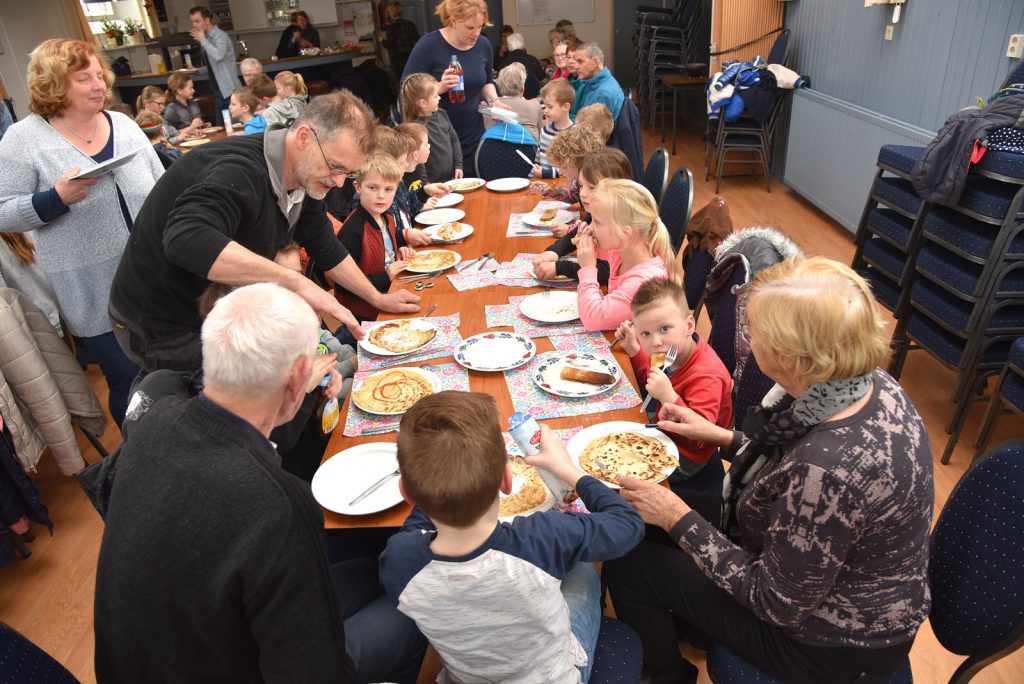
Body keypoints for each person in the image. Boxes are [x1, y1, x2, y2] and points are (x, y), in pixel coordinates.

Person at [606, 257, 934, 684]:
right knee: (630, 515)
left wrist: (673, 515)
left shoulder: (826, 472)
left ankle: (666, 675)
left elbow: (774, 600)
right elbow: (793, 464)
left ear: (792, 357)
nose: (745, 339)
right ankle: (690, 625)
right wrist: (721, 436)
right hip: (808, 569)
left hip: (828, 644)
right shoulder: (867, 383)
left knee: (630, 564)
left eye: (754, 332)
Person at [95, 282, 426, 683]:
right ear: (301, 375)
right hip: (234, 663)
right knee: (418, 601)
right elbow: (315, 671)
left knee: (371, 569)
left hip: (156, 654)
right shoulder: (277, 503)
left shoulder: (155, 422)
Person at [108, 90, 421, 373]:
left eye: (348, 173)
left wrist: (377, 298)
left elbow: (325, 245)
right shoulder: (238, 171)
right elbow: (185, 238)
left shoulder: (306, 175)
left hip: (214, 312)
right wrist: (291, 280)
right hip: (160, 322)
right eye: (335, 167)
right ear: (303, 138)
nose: (340, 182)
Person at [379, 391, 644, 684]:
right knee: (583, 569)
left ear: (405, 493)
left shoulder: (398, 561)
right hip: (555, 676)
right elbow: (628, 523)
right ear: (507, 480)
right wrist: (567, 469)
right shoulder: (544, 537)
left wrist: (430, 486)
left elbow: (414, 529)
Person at [0, 39, 162, 427]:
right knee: (129, 382)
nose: (98, 85)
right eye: (82, 78)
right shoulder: (25, 140)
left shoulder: (122, 124)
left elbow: (162, 184)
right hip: (93, 292)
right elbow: (3, 211)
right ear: (54, 85)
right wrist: (53, 199)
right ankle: (137, 466)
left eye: (98, 75)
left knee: (169, 375)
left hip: (155, 277)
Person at [616, 278, 732, 477]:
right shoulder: (674, 352)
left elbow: (700, 438)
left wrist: (668, 397)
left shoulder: (706, 375)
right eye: (645, 333)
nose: (656, 342)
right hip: (665, 429)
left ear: (688, 326)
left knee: (617, 469)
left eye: (664, 329)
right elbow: (653, 381)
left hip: (686, 456)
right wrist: (634, 350)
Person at [401, 0, 510, 177]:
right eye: (469, 27)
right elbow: (405, 91)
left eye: (480, 27)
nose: (475, 33)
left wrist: (494, 101)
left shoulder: (483, 45)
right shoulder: (428, 45)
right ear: (452, 21)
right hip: (437, 141)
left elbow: (486, 81)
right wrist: (440, 87)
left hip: (474, 134)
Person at [575, 179, 680, 331]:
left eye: (597, 222)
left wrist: (587, 269)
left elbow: (593, 319)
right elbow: (598, 251)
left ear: (625, 233)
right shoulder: (624, 249)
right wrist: (585, 243)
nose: (591, 227)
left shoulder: (643, 283)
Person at [335, 154, 416, 320]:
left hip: (393, 290)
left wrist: (398, 253)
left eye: (388, 189)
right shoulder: (352, 231)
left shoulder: (388, 218)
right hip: (368, 314)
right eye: (373, 188)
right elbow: (345, 286)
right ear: (358, 187)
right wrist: (386, 275)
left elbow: (385, 252)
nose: (381, 196)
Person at [532, 147, 632, 282]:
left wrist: (560, 267)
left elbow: (607, 272)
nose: (583, 194)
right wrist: (554, 251)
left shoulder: (622, 226)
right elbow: (577, 235)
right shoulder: (597, 215)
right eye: (581, 186)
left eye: (592, 187)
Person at [400, 72, 462, 182]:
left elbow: (454, 140)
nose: (439, 98)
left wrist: (458, 165)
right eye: (435, 96)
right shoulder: (414, 128)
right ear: (423, 103)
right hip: (432, 185)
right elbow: (418, 161)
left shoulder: (443, 115)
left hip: (451, 179)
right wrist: (426, 184)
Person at [531, 123, 604, 205]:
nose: (561, 172)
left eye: (564, 167)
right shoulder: (579, 182)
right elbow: (572, 195)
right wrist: (552, 191)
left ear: (581, 163)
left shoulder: (600, 185)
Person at [190, 5, 240, 118]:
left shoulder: (220, 36)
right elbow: (214, 65)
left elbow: (218, 55)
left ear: (207, 20)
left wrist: (202, 40)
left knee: (232, 125)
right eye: (193, 22)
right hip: (218, 90)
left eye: (197, 21)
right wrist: (198, 71)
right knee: (222, 126)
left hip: (229, 90)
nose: (194, 25)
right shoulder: (207, 38)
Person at [395, 122, 450, 210]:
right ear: (415, 155)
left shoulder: (418, 167)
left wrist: (426, 191)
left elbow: (415, 197)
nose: (429, 146)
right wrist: (420, 208)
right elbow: (402, 209)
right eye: (426, 144)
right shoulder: (398, 178)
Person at [485, 63, 542, 143]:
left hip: (493, 152)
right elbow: (541, 133)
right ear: (522, 87)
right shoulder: (534, 107)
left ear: (500, 86)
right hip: (527, 153)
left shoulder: (487, 107)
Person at [533, 77, 575, 178]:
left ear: (565, 107)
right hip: (543, 184)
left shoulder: (575, 134)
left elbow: (573, 167)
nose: (545, 110)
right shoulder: (545, 130)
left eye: (550, 107)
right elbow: (538, 158)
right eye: (544, 106)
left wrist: (547, 173)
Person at [570, 43, 624, 122]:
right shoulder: (594, 83)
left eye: (580, 62)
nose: (576, 67)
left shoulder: (603, 93)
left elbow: (590, 130)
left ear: (596, 62)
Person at [383, 2, 421, 84]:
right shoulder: (410, 24)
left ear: (390, 13)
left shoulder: (391, 27)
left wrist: (382, 41)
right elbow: (418, 40)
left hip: (398, 60)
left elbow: (389, 44)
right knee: (413, 81)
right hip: (411, 57)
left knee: (401, 82)